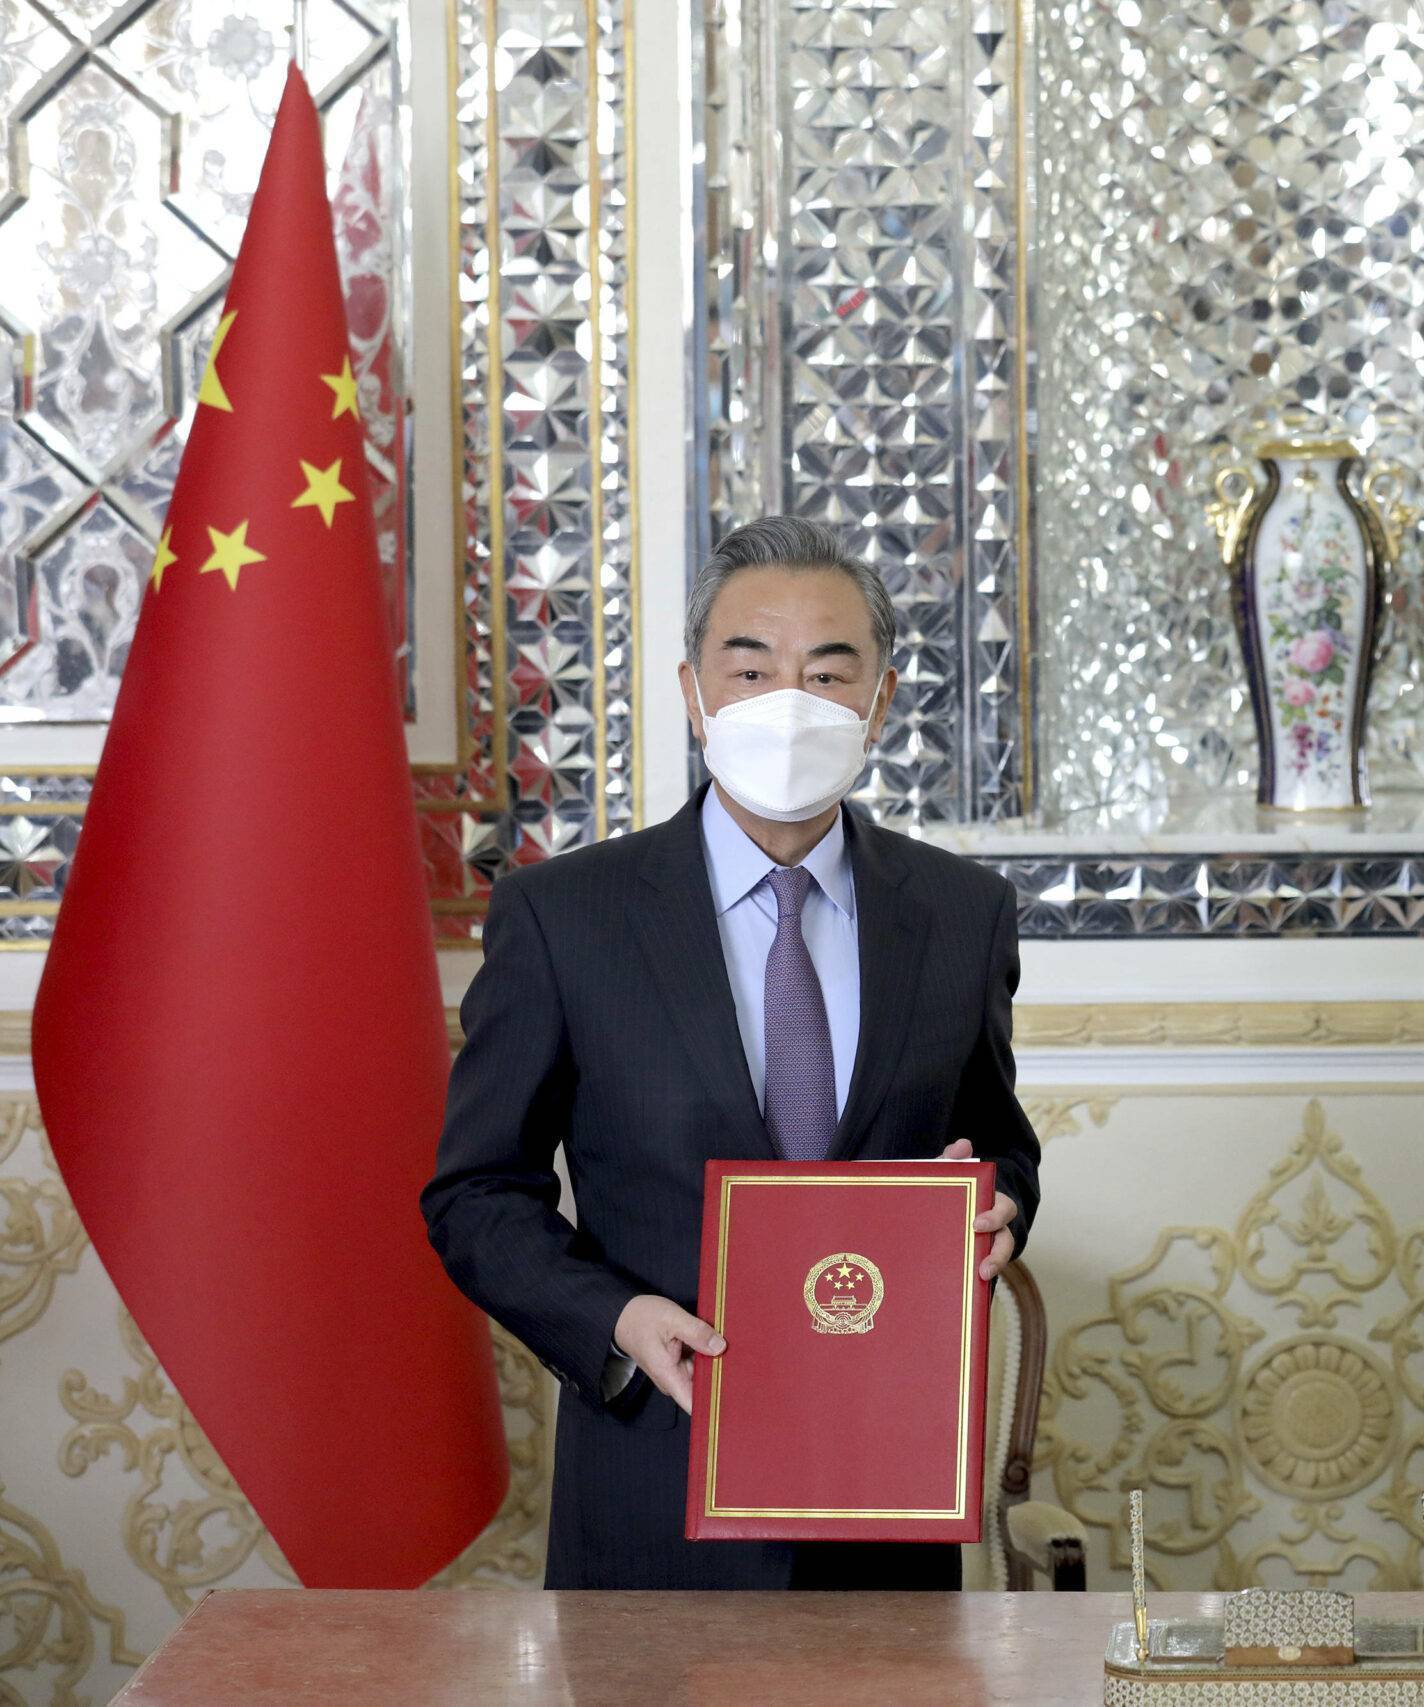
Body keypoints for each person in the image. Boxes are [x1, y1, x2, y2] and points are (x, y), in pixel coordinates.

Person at [423, 516, 1041, 1590]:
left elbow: (999, 1149)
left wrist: (998, 1211)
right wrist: (613, 1321)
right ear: (694, 691)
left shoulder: (961, 915)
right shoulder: (565, 917)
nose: (787, 705)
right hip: (653, 1494)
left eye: (827, 672)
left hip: (883, 1503)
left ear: (880, 702)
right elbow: (476, 1193)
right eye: (750, 669)